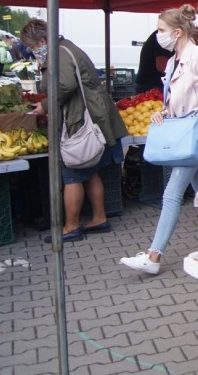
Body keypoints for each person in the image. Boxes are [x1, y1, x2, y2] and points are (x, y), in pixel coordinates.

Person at [119, 5, 198, 274]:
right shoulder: (172, 62)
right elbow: (174, 100)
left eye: (161, 30)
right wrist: (162, 112)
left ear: (177, 32)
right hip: (185, 133)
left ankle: (154, 256)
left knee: (171, 194)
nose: (158, 36)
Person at [21, 19, 129, 243]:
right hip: (95, 114)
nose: (34, 52)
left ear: (43, 40)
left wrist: (46, 105)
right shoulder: (68, 47)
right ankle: (99, 218)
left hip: (80, 117)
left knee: (72, 174)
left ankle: (70, 226)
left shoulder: (58, 53)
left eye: (33, 47)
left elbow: (65, 85)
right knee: (90, 171)